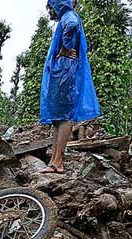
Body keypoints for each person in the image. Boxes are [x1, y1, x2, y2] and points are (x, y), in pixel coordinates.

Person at [40, 0, 100, 174]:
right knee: (57, 118)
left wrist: (65, 47)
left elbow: (72, 25)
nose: (50, 11)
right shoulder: (65, 18)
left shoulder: (69, 17)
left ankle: (58, 161)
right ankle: (53, 160)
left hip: (66, 72)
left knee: (64, 116)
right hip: (61, 72)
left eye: (51, 7)